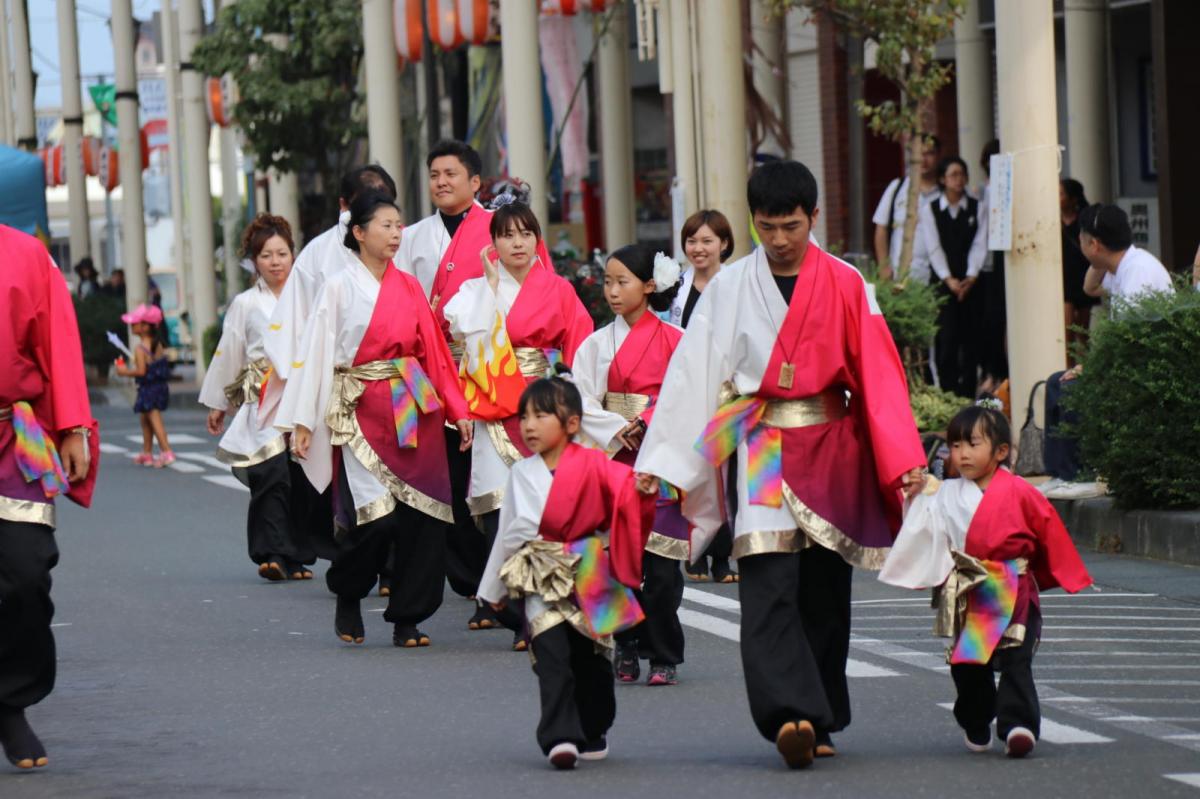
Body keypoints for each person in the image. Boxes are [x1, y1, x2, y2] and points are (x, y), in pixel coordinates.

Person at [635, 160, 927, 769]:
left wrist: (903, 460)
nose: (779, 240)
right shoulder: (731, 285)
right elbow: (695, 373)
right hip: (763, 440)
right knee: (767, 586)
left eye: (790, 226)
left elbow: (878, 375)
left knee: (824, 590)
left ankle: (820, 715)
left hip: (830, 445)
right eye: (766, 227)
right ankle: (786, 715)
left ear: (813, 217)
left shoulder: (848, 282)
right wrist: (663, 458)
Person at [287, 190, 472, 648]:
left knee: (425, 517)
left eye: (398, 224)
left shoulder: (409, 286)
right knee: (375, 521)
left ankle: (408, 618)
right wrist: (304, 420)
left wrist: (458, 409)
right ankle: (349, 591)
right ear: (359, 232)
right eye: (385, 225)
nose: (395, 233)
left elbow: (434, 354)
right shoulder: (338, 286)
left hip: (413, 405)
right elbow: (316, 354)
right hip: (364, 410)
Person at [879, 400, 1092, 758]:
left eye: (972, 444)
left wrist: (1054, 572)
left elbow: (1047, 534)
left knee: (1016, 658)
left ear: (1001, 451)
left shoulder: (1023, 491)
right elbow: (924, 527)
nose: (961, 454)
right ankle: (976, 720)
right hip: (972, 590)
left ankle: (1018, 725)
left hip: (1015, 585)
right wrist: (913, 492)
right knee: (969, 665)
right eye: (955, 444)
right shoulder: (943, 491)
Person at [477, 376, 654, 770]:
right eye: (524, 417)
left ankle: (593, 726)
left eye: (541, 415)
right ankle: (559, 735)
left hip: (589, 566)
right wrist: (492, 587)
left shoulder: (595, 464)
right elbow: (508, 532)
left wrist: (640, 489)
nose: (529, 425)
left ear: (572, 424)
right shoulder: (521, 472)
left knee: (592, 659)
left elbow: (625, 492)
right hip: (540, 568)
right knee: (551, 653)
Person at [443, 198, 594, 649]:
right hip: (494, 406)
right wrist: (489, 287)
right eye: (507, 235)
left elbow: (580, 345)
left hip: (544, 405)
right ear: (493, 244)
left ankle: (539, 606)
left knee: (543, 510)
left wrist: (576, 402)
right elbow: (461, 336)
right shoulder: (475, 290)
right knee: (496, 508)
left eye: (525, 233)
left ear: (537, 240)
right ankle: (510, 606)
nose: (517, 243)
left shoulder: (559, 289)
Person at [0, 224, 98, 770]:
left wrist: (73, 427)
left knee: (28, 569)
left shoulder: (26, 253)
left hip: (13, 438)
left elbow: (57, 342)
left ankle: (10, 697)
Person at [269, 165, 398, 579]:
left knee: (407, 491)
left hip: (402, 390)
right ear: (349, 213)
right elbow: (301, 333)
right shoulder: (321, 261)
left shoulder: (405, 255)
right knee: (356, 488)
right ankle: (352, 571)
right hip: (343, 387)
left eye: (389, 211)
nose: (390, 231)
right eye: (369, 207)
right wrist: (301, 407)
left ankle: (396, 576)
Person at [574, 244, 686, 686]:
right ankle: (626, 642)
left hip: (659, 460)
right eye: (608, 282)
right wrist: (615, 428)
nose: (613, 291)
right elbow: (579, 397)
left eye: (622, 282)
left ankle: (665, 653)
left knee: (660, 568)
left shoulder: (678, 341)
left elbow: (685, 394)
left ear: (650, 285)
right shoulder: (596, 344)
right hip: (616, 458)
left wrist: (647, 421)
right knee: (618, 559)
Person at [200, 214, 315, 582]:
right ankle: (272, 553)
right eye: (266, 255)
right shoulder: (246, 304)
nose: (276, 261)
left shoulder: (311, 297)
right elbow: (229, 351)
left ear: (293, 254)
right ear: (254, 260)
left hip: (300, 397)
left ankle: (296, 555)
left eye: (282, 253)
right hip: (261, 400)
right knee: (270, 474)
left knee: (301, 478)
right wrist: (221, 403)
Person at [670, 209, 739, 584]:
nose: (698, 248)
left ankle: (723, 557)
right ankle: (693, 550)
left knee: (726, 472)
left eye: (707, 241)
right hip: (689, 388)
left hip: (727, 391)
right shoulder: (675, 288)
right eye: (692, 241)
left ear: (724, 244)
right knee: (693, 470)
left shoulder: (736, 284)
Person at [920, 155, 988, 398]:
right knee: (945, 339)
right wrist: (948, 279)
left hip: (971, 283)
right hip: (942, 282)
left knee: (970, 339)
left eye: (962, 174)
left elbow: (980, 244)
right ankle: (947, 393)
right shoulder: (930, 210)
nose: (958, 180)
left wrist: (970, 276)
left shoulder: (977, 207)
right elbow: (933, 247)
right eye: (953, 175)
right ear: (942, 179)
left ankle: (967, 394)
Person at [872, 135, 940, 282]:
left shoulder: (945, 192)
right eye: (919, 154)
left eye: (929, 153)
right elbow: (881, 228)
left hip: (939, 279)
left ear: (938, 156)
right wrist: (884, 267)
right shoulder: (898, 187)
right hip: (902, 278)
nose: (924, 159)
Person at [1080, 204, 1174, 309]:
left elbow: (1132, 324)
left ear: (1094, 244)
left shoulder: (1137, 270)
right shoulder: (1124, 264)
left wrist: (1098, 255)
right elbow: (1090, 288)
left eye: (1081, 241)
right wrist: (1100, 259)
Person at [114, 303, 174, 467]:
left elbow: (141, 371)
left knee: (155, 420)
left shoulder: (140, 349)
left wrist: (123, 371)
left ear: (145, 327)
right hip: (159, 387)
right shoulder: (158, 345)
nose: (132, 326)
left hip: (148, 389)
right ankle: (147, 452)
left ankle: (166, 451)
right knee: (145, 419)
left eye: (135, 323)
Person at [976, 139, 1008, 392]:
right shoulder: (981, 191)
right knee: (989, 324)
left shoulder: (1002, 188)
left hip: (1002, 260)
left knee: (999, 323)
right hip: (984, 266)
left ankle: (999, 378)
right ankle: (992, 377)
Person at [1059, 179, 1098, 365]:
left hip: (1081, 276)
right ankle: (1068, 369)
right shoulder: (1053, 219)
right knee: (1066, 331)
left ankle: (1086, 369)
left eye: (1061, 194)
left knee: (1082, 332)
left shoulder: (1083, 220)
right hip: (1063, 280)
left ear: (1073, 199)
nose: (1057, 199)